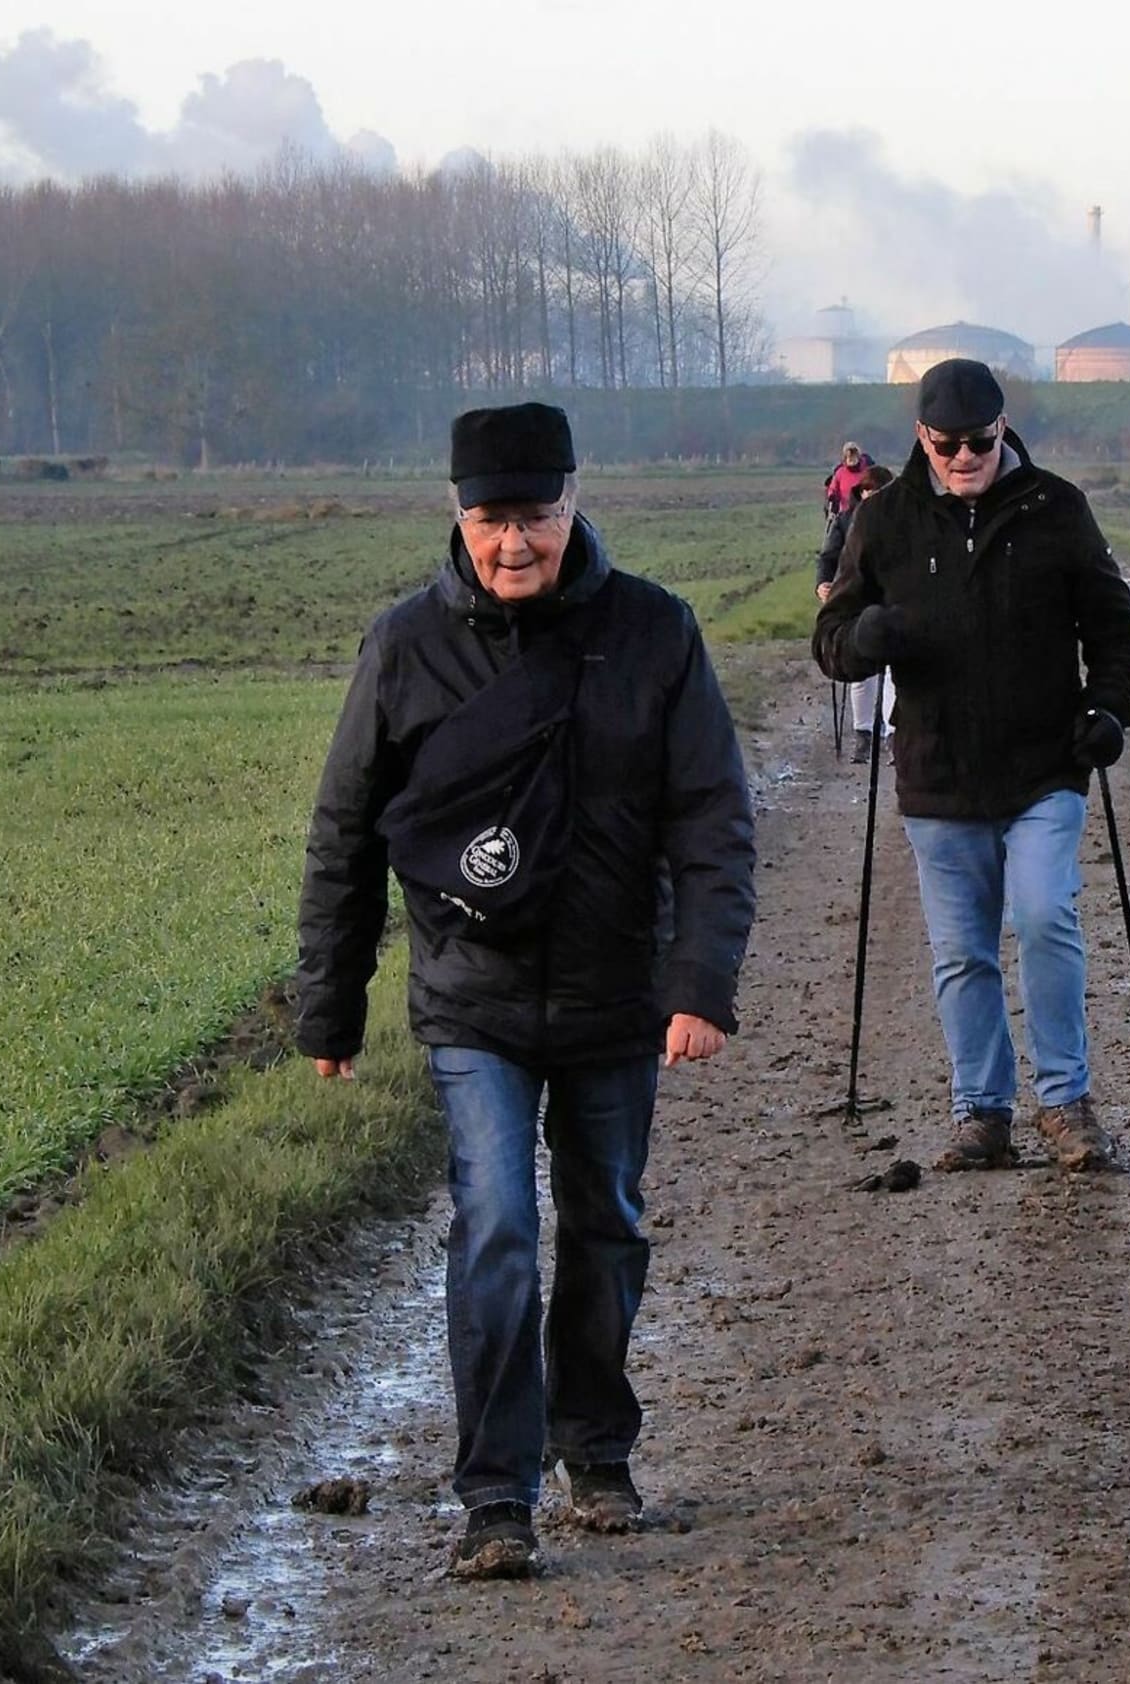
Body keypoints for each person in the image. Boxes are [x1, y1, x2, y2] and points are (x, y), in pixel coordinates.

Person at [295, 402, 755, 1579]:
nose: (515, 544)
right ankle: (495, 1495)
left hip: (615, 991)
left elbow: (712, 818)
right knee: (498, 1224)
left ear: (573, 501)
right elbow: (345, 831)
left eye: (536, 517)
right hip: (473, 997)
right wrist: (329, 1005)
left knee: (605, 1220)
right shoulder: (405, 647)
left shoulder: (655, 631)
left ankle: (595, 1447)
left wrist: (698, 979)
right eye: (492, 519)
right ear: (457, 513)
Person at [813, 359, 1130, 1174]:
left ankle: (1066, 1103)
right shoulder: (883, 519)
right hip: (938, 771)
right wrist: (864, 639)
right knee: (962, 952)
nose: (966, 459)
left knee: (1043, 917)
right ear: (922, 437)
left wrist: (1108, 709)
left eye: (981, 442)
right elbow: (830, 642)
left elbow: (1115, 627)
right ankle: (982, 1113)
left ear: (1005, 429)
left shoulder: (1056, 508)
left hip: (1045, 764)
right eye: (949, 445)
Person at [816, 462, 897, 763]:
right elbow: (827, 558)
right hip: (856, 600)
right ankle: (863, 735)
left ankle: (892, 736)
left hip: (893, 600)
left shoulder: (905, 522)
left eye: (877, 491)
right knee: (860, 669)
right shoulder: (844, 522)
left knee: (893, 671)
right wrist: (823, 586)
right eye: (867, 490)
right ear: (860, 492)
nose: (871, 496)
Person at [823, 440, 874, 520]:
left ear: (858, 456)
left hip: (864, 513)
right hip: (845, 514)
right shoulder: (840, 473)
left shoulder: (867, 472)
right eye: (848, 456)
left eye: (853, 455)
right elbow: (833, 489)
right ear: (845, 458)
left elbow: (873, 488)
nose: (851, 458)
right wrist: (832, 497)